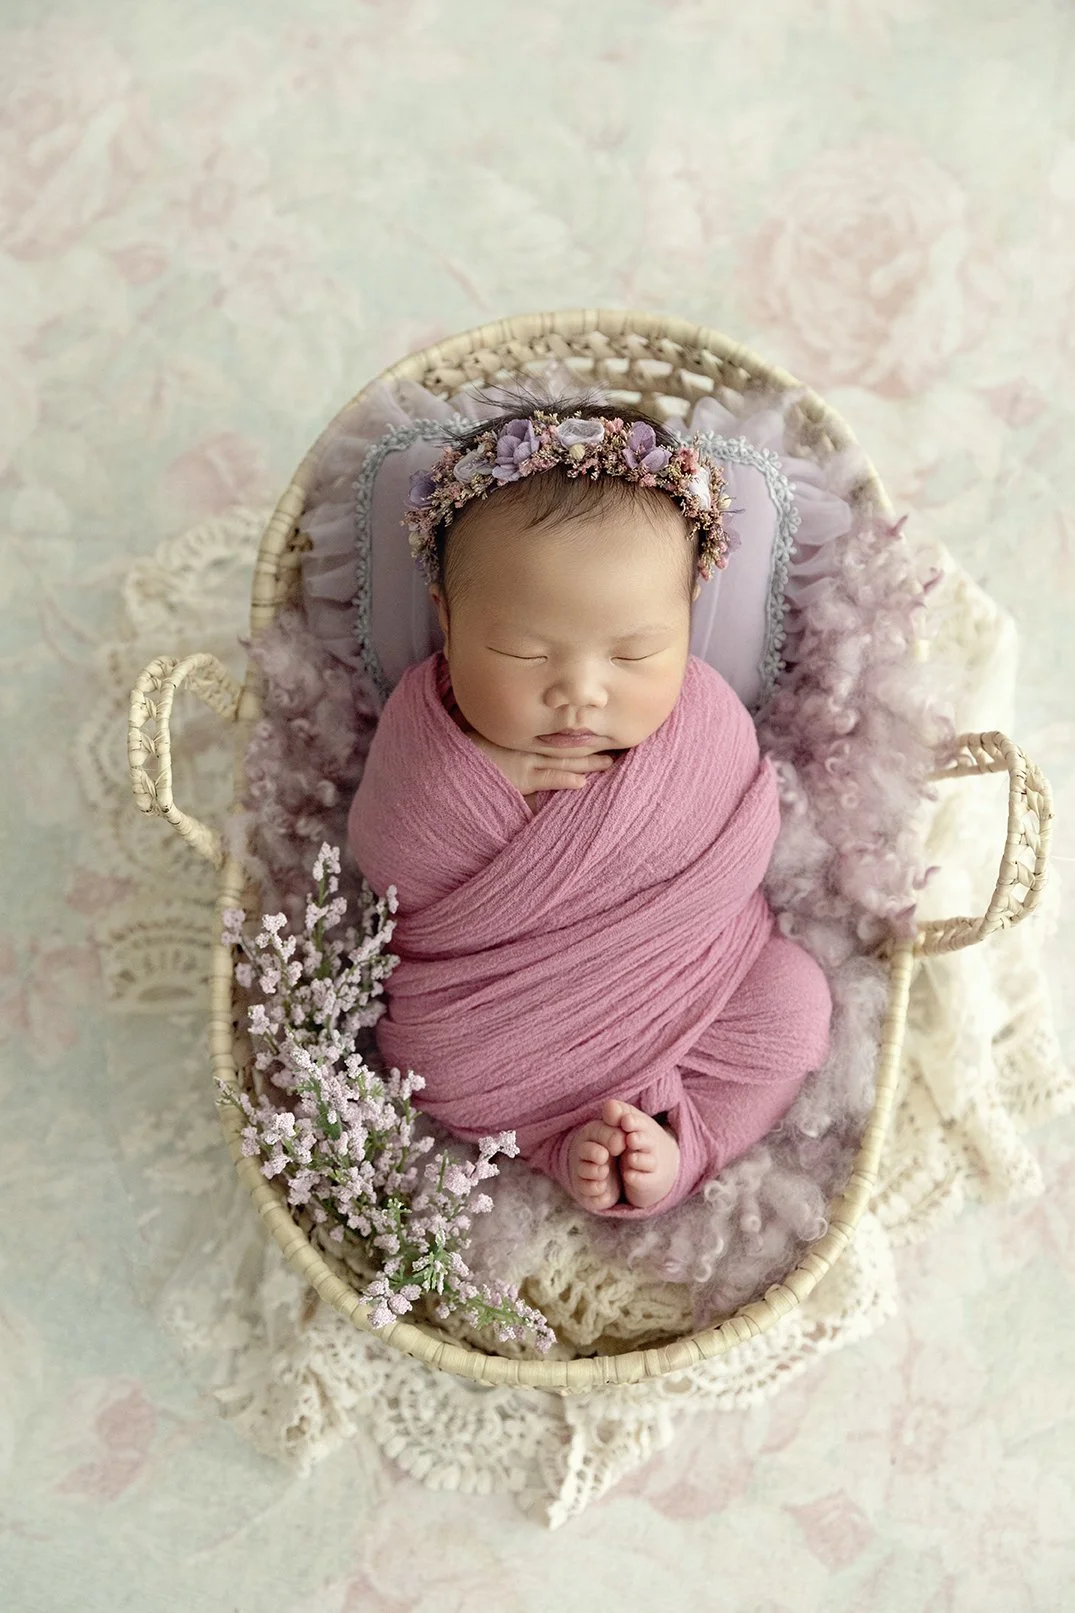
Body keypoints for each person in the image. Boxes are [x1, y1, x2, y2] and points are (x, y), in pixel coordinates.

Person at [349, 388, 832, 1217]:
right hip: (497, 1024)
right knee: (427, 1061)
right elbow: (388, 860)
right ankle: (560, 1140)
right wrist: (477, 779)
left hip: (699, 984)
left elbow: (736, 845)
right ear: (448, 619)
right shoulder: (426, 735)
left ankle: (684, 1147)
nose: (579, 691)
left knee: (790, 1002)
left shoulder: (701, 723)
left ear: (685, 624)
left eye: (635, 652)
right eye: (522, 652)